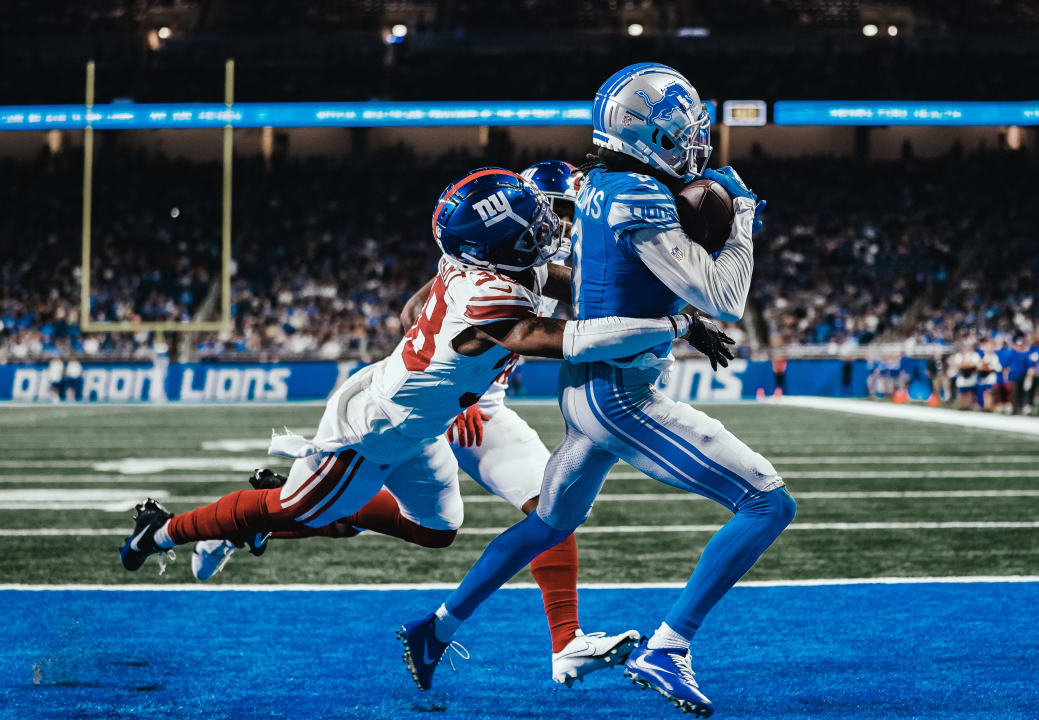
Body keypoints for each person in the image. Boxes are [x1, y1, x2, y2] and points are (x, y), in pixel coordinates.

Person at [117, 166, 733, 685]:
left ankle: (565, 641)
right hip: (377, 431)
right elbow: (571, 338)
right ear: (501, 239)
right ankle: (169, 529)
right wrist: (679, 325)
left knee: (473, 522)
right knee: (294, 510)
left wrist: (457, 379)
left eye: (555, 217)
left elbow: (442, 306)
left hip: (448, 411)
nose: (556, 230)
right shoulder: (489, 291)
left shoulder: (495, 257)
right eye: (545, 221)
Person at [399, 63, 793, 718]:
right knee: (766, 503)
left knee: (548, 525)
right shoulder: (637, 194)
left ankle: (436, 628)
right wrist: (744, 217)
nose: (694, 139)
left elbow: (608, 277)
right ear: (650, 134)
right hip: (619, 396)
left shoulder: (603, 184)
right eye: (680, 129)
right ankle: (670, 647)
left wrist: (682, 321)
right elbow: (726, 295)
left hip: (588, 390)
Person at [1007, 335, 1034, 414]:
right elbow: (1007, 365)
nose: (1019, 347)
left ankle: (1021, 407)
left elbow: (1030, 366)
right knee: (1015, 392)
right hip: (1014, 376)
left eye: (1020, 345)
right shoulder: (1012, 354)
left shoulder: (1025, 354)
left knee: (1022, 392)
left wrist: (1028, 376)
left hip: (1023, 376)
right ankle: (1014, 407)